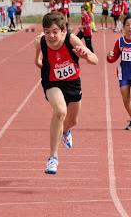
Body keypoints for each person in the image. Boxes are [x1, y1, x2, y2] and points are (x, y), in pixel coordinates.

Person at [34, 12, 98, 174]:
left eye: (55, 31)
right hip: (52, 82)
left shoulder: (72, 40)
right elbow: (37, 61)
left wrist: (85, 56)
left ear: (63, 31)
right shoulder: (40, 42)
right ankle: (53, 158)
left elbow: (94, 59)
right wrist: (44, 64)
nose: (51, 35)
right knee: (60, 111)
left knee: (73, 120)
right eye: (47, 31)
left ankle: (65, 131)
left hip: (73, 83)